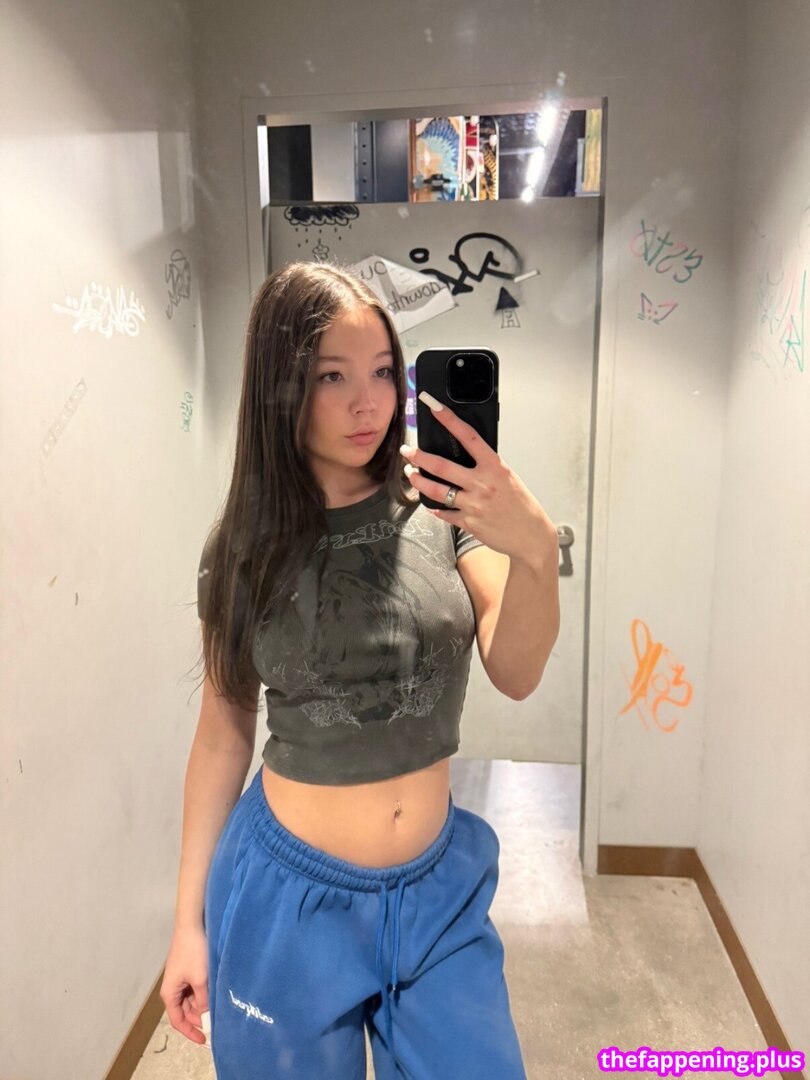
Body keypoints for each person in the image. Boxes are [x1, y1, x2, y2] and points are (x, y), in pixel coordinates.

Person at [160, 261, 560, 1079]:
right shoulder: (241, 547)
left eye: (383, 372)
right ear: (280, 388)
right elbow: (222, 736)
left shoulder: (442, 506)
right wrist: (187, 924)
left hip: (436, 894)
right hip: (286, 898)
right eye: (331, 376)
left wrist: (536, 554)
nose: (368, 402)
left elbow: (516, 670)